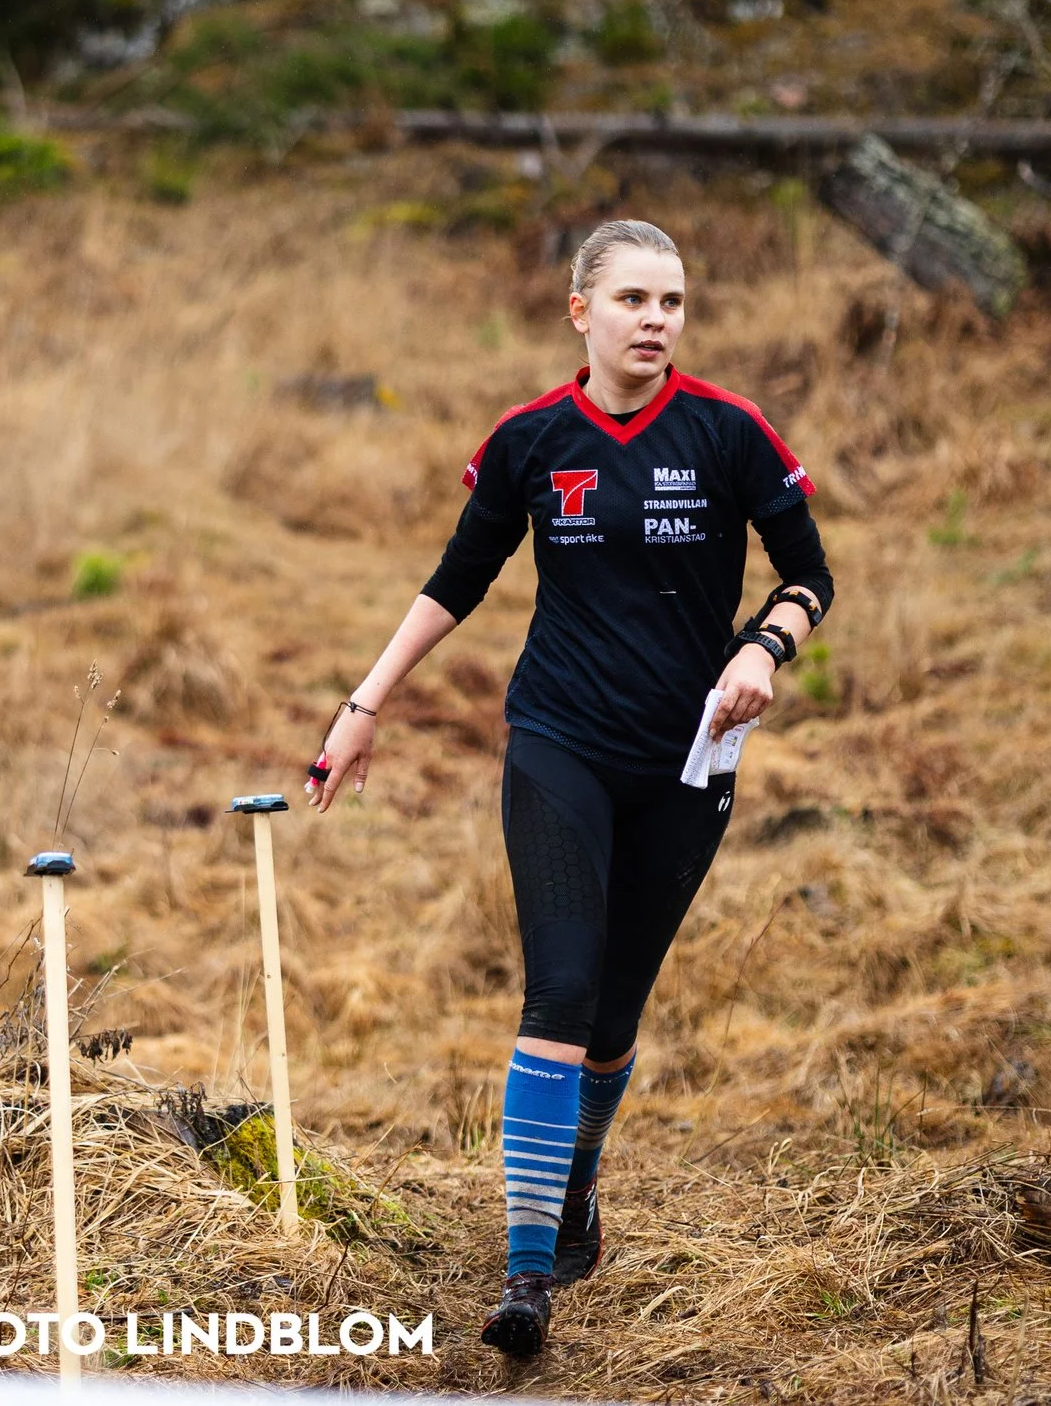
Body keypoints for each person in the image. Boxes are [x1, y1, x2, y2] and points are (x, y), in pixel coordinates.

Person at [304, 219, 834, 1359]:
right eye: (635, 298)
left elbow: (809, 572)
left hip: (685, 762)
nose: (657, 320)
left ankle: (576, 1185)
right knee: (556, 994)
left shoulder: (730, 432)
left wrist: (762, 649)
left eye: (674, 301)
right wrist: (364, 704)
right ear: (580, 310)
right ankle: (527, 1271)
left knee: (611, 1019)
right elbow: (457, 577)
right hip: (559, 740)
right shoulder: (531, 440)